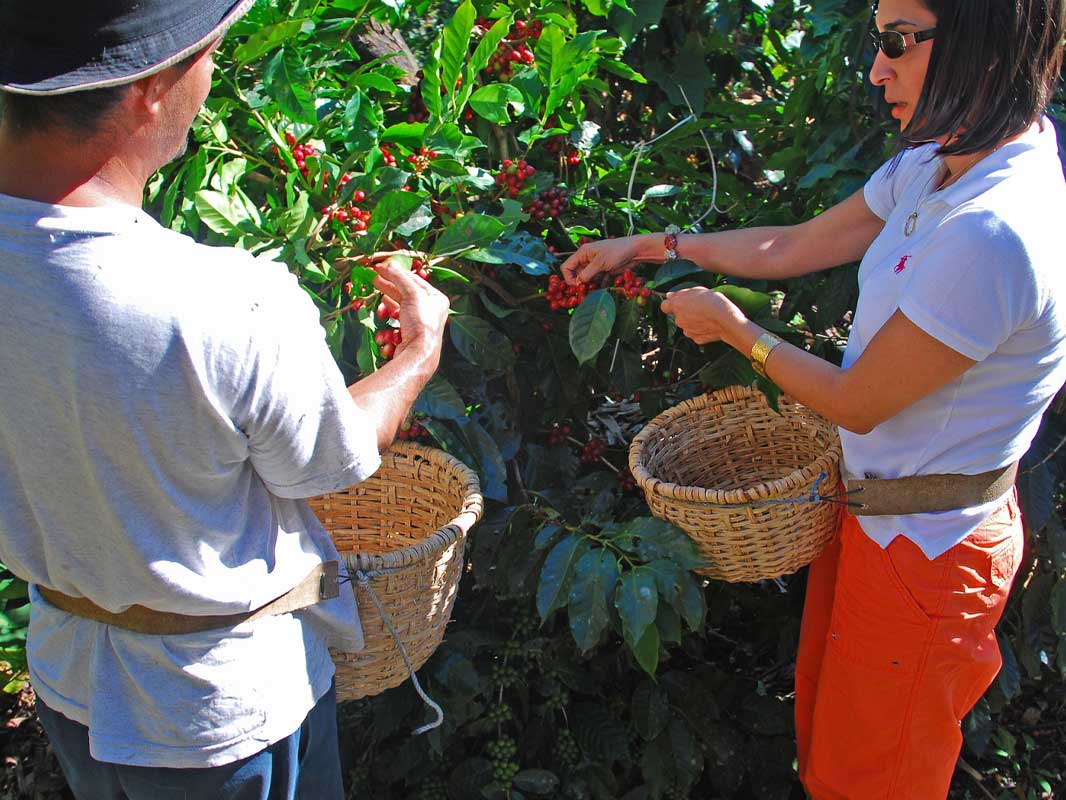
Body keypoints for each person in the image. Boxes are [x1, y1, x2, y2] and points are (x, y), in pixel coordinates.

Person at [562, 0, 1066, 796]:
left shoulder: (993, 231)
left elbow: (859, 401)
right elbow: (795, 243)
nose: (876, 68)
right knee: (835, 756)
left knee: (876, 778)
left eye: (898, 43)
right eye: (878, 42)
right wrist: (655, 244)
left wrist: (735, 332)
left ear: (978, 40)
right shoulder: (945, 159)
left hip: (927, 548)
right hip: (881, 518)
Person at [0, 1, 450, 797]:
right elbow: (333, 461)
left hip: (71, 677)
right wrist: (418, 353)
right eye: (208, 57)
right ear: (149, 88)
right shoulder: (221, 300)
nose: (208, 81)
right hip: (214, 716)